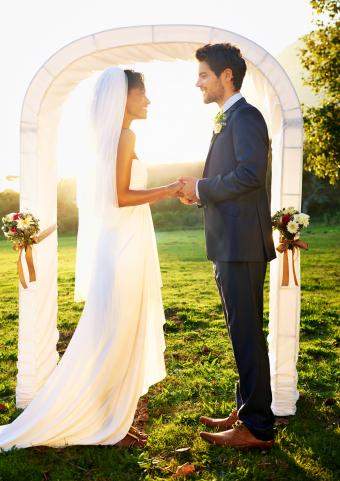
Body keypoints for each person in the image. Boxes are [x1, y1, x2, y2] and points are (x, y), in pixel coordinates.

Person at [0, 67, 183, 450]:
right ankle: (104, 421)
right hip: (124, 248)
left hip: (122, 243)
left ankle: (113, 417)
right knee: (113, 336)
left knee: (113, 334)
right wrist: (168, 190)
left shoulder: (110, 139)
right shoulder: (125, 136)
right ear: (124, 97)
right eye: (142, 93)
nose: (148, 101)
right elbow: (121, 196)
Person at [179, 43, 277, 449]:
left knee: (247, 333)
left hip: (241, 244)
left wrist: (202, 187)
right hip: (230, 242)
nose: (198, 82)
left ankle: (256, 427)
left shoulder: (246, 116)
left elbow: (250, 175)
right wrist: (200, 193)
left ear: (226, 76)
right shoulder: (230, 118)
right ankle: (247, 409)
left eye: (203, 74)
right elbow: (234, 178)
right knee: (243, 331)